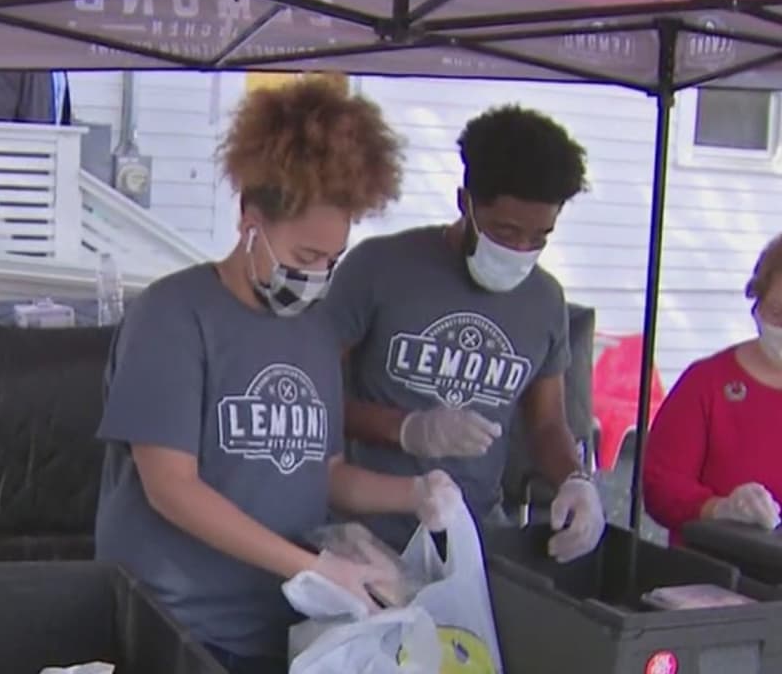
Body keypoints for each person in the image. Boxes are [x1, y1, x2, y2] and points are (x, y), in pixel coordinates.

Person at [93, 77, 464, 674]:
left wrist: (417, 494)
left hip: (281, 624)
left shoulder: (315, 332)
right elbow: (171, 487)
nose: (315, 277)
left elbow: (327, 474)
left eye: (331, 261)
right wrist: (312, 567)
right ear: (250, 216)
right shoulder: (173, 315)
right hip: (177, 625)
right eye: (303, 257)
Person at [321, 104, 606, 563]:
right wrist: (407, 429)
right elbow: (312, 396)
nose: (521, 248)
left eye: (540, 236)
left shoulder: (544, 300)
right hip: (368, 532)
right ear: (465, 203)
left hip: (474, 535)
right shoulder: (379, 268)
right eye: (505, 232)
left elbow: (547, 422)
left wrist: (576, 481)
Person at [643, 234, 782, 544]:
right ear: (757, 301)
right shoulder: (708, 382)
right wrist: (718, 508)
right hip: (714, 564)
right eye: (778, 313)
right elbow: (659, 484)